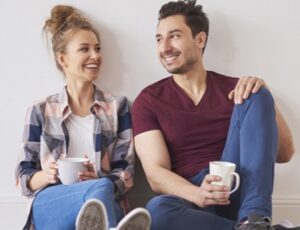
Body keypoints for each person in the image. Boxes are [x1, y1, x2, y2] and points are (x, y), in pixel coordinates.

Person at [132, 0, 295, 230]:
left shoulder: (238, 91)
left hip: (239, 191)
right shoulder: (148, 100)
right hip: (191, 199)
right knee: (157, 211)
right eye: (159, 39)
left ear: (200, 39)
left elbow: (285, 153)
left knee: (255, 91)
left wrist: (264, 93)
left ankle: (255, 219)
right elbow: (156, 175)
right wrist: (198, 193)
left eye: (174, 36)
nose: (164, 47)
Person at [15, 5, 151, 230]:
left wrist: (95, 180)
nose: (95, 56)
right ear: (63, 59)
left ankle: (103, 223)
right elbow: (23, 178)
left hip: (103, 201)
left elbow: (126, 171)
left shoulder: (119, 107)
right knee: (99, 189)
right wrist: (47, 175)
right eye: (84, 49)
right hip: (53, 203)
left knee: (101, 189)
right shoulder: (40, 110)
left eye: (97, 49)